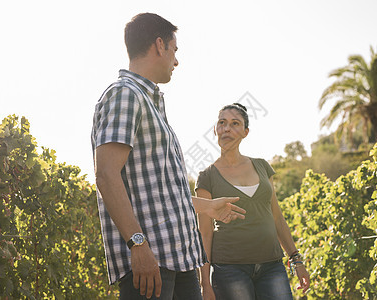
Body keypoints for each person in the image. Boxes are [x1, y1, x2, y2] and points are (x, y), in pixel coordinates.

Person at [91, 13, 245, 300]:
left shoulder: (150, 102)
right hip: (151, 263)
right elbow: (106, 175)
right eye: (174, 50)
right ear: (159, 45)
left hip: (180, 258)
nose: (176, 61)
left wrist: (207, 206)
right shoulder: (125, 95)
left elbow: (160, 194)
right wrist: (138, 245)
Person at [196, 103, 311, 300]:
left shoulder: (262, 166)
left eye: (235, 124)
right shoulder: (206, 177)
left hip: (272, 265)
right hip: (229, 269)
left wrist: (296, 259)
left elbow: (277, 217)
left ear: (245, 132)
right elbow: (205, 234)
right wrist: (205, 284)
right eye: (222, 123)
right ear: (215, 130)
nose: (227, 129)